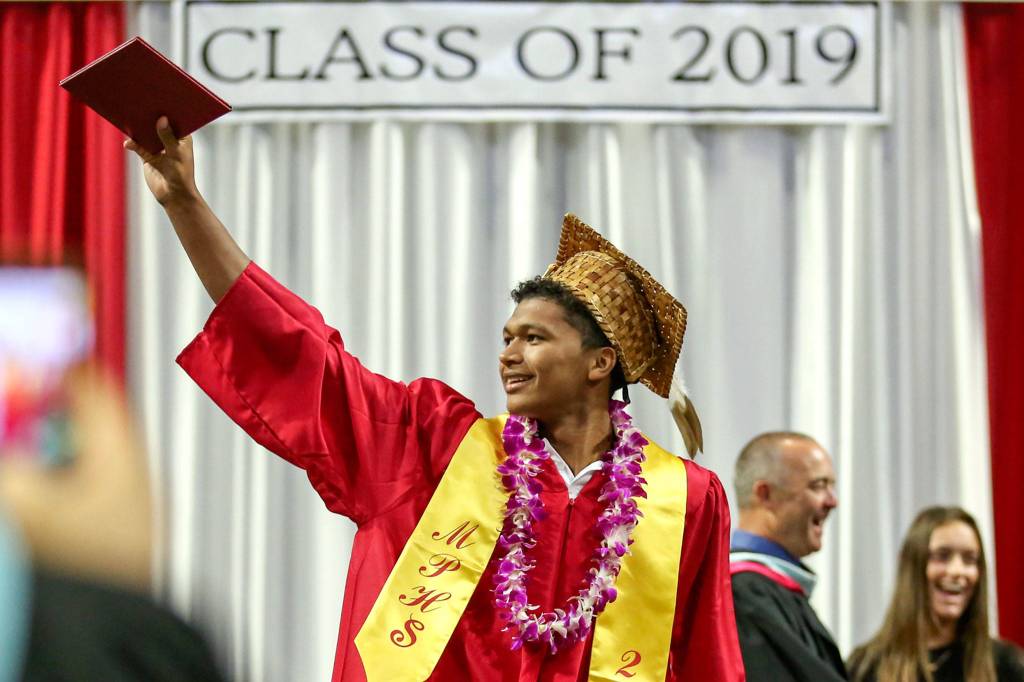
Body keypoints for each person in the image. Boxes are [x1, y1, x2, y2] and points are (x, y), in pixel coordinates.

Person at [125, 118, 746, 681]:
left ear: (599, 363)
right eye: (507, 337)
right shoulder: (433, 446)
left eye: (534, 338)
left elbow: (709, 665)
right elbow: (303, 353)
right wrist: (186, 204)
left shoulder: (683, 499)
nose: (507, 354)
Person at [847, 506, 1024, 682]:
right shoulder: (866, 667)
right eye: (942, 556)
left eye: (969, 559)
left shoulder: (1006, 666)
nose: (957, 571)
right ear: (913, 567)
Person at [728, 431, 846, 681]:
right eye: (818, 485)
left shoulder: (768, 588)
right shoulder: (745, 593)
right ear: (765, 494)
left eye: (831, 486)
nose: (832, 501)